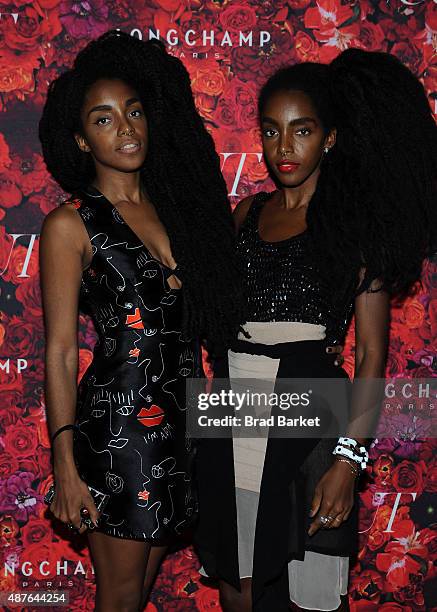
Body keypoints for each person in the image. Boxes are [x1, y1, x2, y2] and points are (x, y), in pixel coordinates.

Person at [194, 49, 437, 611]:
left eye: (301, 131)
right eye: (272, 131)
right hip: (233, 411)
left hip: (309, 416)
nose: (284, 148)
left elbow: (372, 356)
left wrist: (349, 461)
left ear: (329, 137)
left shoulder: (355, 227)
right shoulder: (244, 216)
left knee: (304, 594)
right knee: (238, 586)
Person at [38, 30, 244, 612]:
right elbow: (58, 350)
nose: (125, 128)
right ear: (79, 139)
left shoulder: (182, 208)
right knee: (122, 596)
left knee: (142, 589)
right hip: (118, 434)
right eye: (103, 119)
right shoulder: (69, 224)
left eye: (132, 112)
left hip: (184, 425)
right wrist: (65, 461)